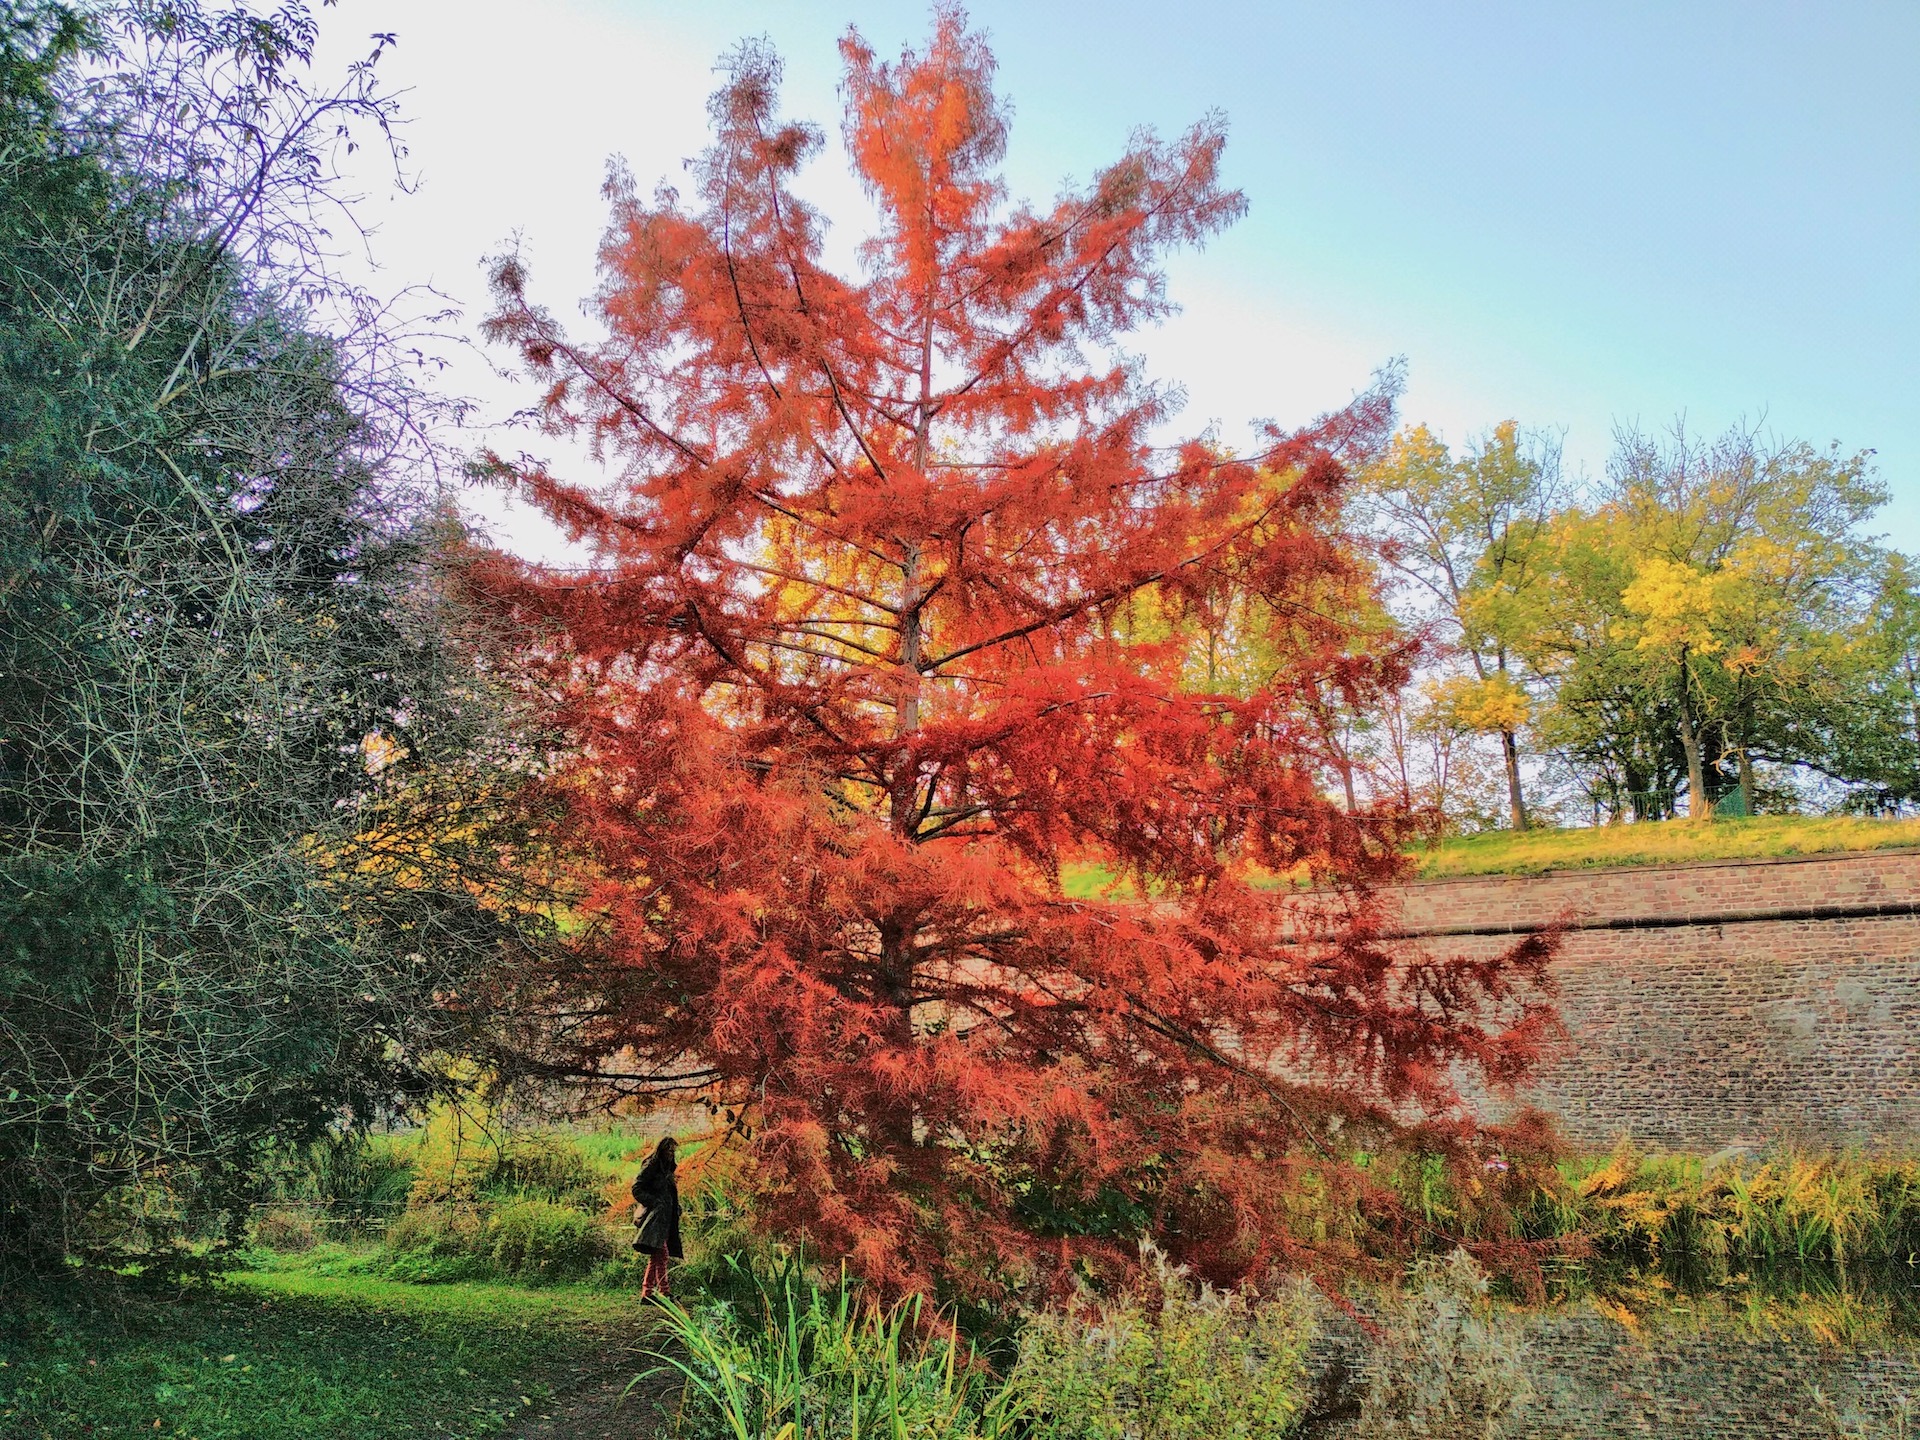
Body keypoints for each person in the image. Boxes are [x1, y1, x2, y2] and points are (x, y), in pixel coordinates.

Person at [629, 1136, 682, 1298]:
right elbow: (637, 1188)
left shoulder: (666, 1168)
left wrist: (675, 1207)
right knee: (662, 1254)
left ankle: (647, 1293)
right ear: (662, 1149)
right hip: (655, 1219)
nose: (671, 1154)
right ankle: (664, 1293)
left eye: (673, 1151)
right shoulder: (652, 1165)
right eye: (669, 1150)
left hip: (665, 1218)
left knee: (657, 1255)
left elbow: (668, 1192)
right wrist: (655, 1203)